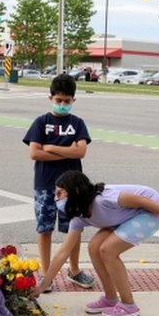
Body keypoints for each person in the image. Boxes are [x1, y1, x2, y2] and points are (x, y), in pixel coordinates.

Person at [30, 170, 159, 316]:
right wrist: (42, 286)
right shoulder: (79, 217)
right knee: (94, 247)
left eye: (59, 193)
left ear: (76, 191)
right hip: (124, 216)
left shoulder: (104, 199)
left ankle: (129, 305)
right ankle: (110, 299)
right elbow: (63, 252)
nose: (55, 199)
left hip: (149, 210)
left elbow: (144, 201)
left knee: (108, 250)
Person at [22, 74, 95, 292]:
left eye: (67, 101)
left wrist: (51, 148)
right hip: (45, 184)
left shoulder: (77, 123)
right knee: (44, 228)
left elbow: (81, 151)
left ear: (74, 100)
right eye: (59, 100)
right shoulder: (41, 123)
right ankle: (46, 273)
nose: (62, 104)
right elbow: (34, 153)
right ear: (50, 98)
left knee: (74, 228)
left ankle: (74, 270)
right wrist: (68, 152)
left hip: (73, 188)